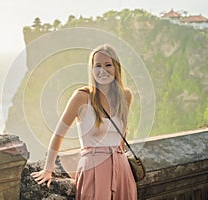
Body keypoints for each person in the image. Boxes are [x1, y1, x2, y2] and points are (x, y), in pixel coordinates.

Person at [31, 44, 137, 199]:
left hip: (121, 168)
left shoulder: (125, 96)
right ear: (92, 69)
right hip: (93, 169)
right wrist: (48, 170)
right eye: (97, 66)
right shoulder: (81, 97)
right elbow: (59, 134)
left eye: (108, 65)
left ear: (116, 68)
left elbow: (122, 135)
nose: (102, 70)